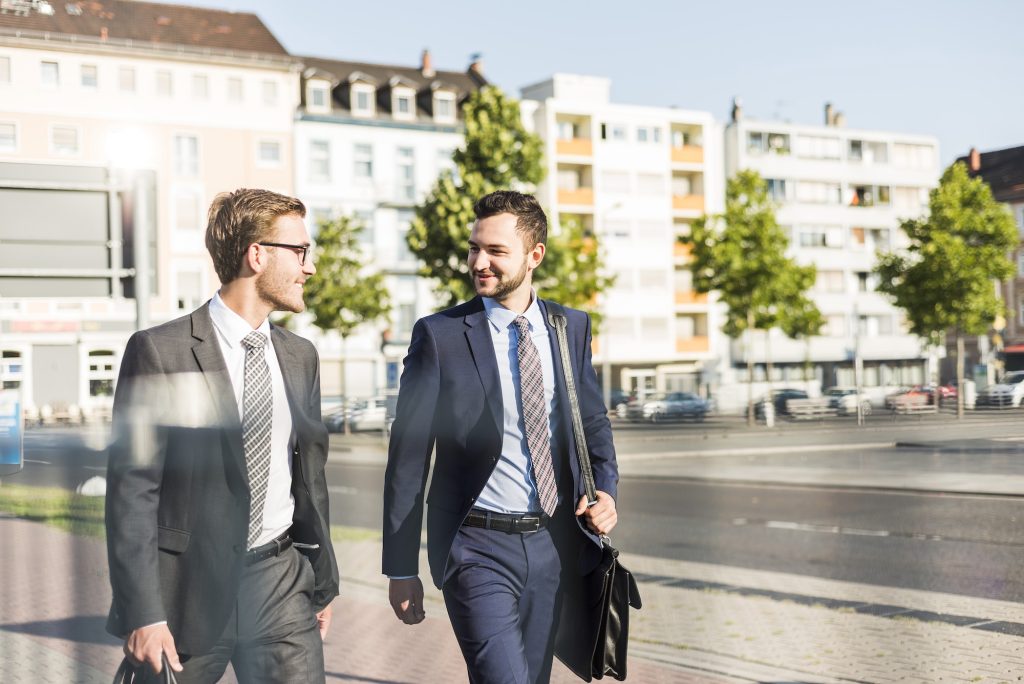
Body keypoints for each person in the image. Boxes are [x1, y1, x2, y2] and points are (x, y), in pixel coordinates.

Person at [383, 190, 619, 683]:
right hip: (475, 547)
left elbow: (591, 422)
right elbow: (407, 457)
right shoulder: (440, 336)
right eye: (474, 248)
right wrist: (400, 566)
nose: (479, 262)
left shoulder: (569, 328)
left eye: (496, 251)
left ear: (535, 255)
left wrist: (607, 492)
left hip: (555, 543)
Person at [105, 188, 339, 683]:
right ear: (258, 255)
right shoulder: (159, 352)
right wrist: (143, 613)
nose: (309, 266)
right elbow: (133, 493)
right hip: (186, 592)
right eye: (299, 251)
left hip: (280, 584)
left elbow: (310, 480)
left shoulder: (301, 357)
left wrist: (321, 584)